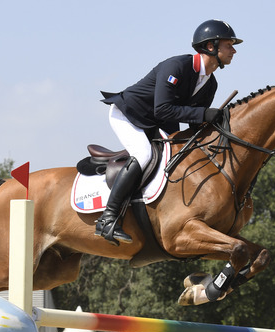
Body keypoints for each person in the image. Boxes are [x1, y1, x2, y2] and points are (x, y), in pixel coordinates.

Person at [95, 19, 242, 245]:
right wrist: (204, 114)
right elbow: (163, 108)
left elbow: (192, 122)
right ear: (211, 46)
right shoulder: (177, 66)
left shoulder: (211, 84)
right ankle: (108, 218)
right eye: (228, 44)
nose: (233, 50)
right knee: (144, 154)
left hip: (159, 122)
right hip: (130, 114)